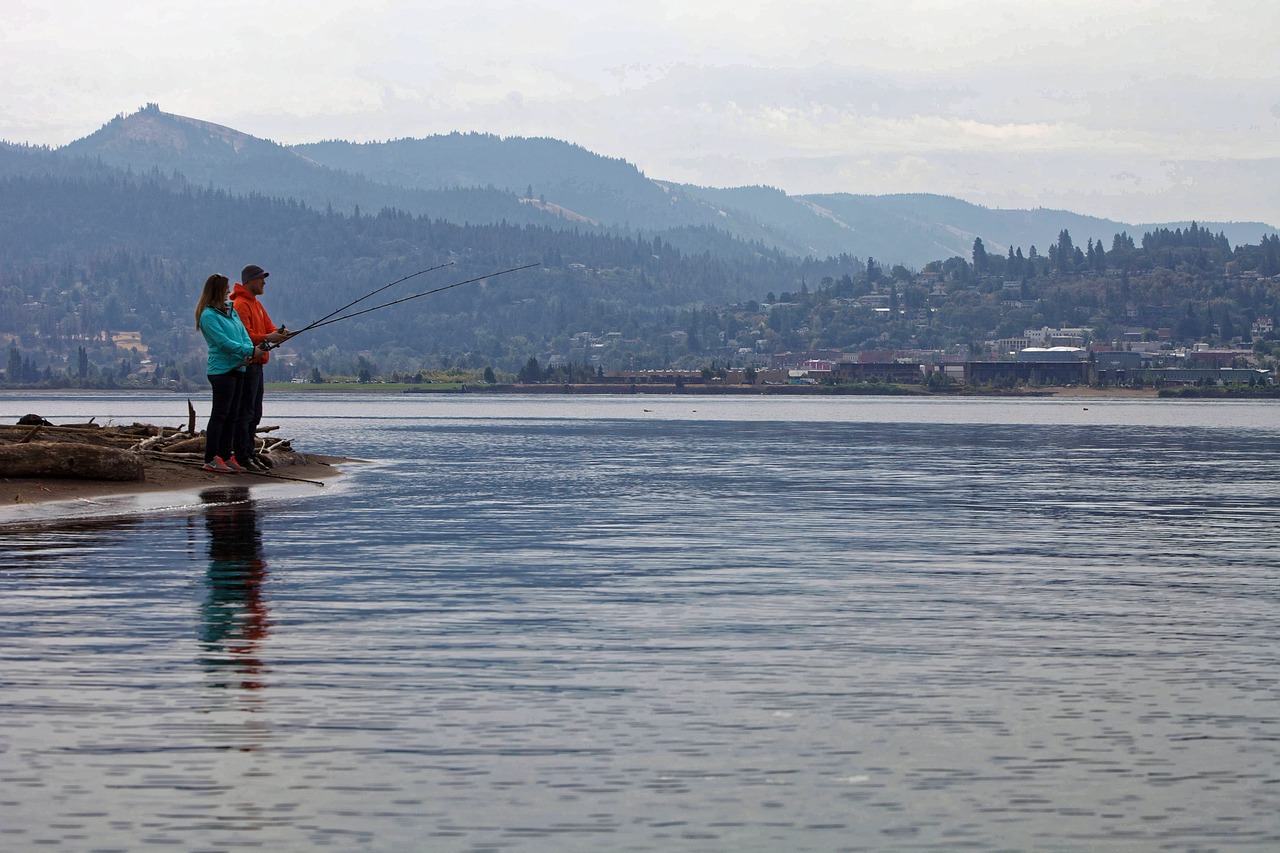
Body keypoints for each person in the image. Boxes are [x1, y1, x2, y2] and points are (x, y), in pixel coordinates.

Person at [196, 274, 266, 473]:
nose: (229, 291)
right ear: (217, 290)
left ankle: (226, 456)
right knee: (220, 415)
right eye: (226, 288)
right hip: (221, 371)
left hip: (239, 368)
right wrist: (250, 351)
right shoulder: (208, 316)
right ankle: (211, 457)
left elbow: (243, 335)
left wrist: (250, 350)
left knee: (233, 415)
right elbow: (222, 342)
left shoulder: (231, 310)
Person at [231, 264, 291, 472]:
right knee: (245, 412)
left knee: (255, 413)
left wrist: (280, 333)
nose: (264, 282)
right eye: (260, 279)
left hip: (258, 366)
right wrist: (269, 337)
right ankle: (241, 456)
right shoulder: (240, 305)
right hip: (247, 366)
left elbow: (269, 327)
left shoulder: (256, 304)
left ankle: (249, 453)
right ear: (249, 281)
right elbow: (244, 336)